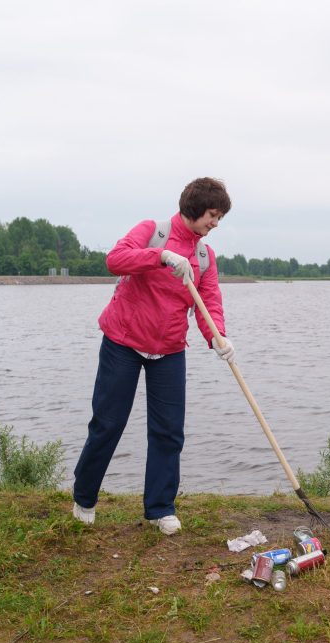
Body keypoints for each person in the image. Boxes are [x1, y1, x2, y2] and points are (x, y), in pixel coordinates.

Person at [72, 177, 236, 533]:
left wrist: (218, 337)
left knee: (168, 431)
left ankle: (160, 508)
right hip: (123, 342)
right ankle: (84, 497)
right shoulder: (153, 232)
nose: (216, 224)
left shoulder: (206, 256)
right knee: (108, 423)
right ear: (194, 208)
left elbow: (208, 302)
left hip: (170, 349)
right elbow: (115, 260)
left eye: (220, 217)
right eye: (212, 215)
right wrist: (159, 257)